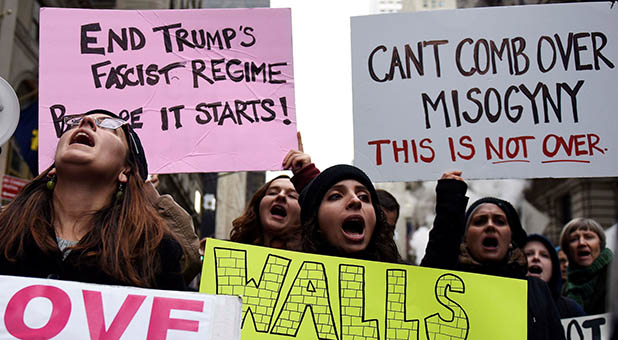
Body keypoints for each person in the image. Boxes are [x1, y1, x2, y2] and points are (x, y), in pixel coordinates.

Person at [0, 109, 186, 290]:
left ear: (125, 171)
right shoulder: (4, 229)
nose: (85, 122)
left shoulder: (155, 252)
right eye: (73, 123)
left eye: (109, 126)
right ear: (54, 166)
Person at [421, 171, 565, 340]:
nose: (490, 226)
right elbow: (437, 261)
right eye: (480, 221)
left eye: (500, 221)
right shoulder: (449, 285)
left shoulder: (536, 289)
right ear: (465, 239)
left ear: (510, 239)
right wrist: (450, 200)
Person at [297, 164, 402, 263]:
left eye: (363, 197)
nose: (356, 201)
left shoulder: (407, 279)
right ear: (315, 219)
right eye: (336, 196)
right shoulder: (288, 278)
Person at [229, 175, 301, 249]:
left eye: (292, 196)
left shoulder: (312, 255)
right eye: (272, 193)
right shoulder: (227, 252)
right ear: (258, 206)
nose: (281, 195)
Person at [560, 217, 613, 315]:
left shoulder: (614, 274)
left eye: (588, 237)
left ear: (600, 244)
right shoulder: (563, 290)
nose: (581, 243)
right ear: (567, 249)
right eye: (574, 239)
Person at [524, 234, 585, 318]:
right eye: (528, 254)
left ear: (554, 267)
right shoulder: (502, 303)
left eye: (544, 255)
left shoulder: (571, 310)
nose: (536, 257)